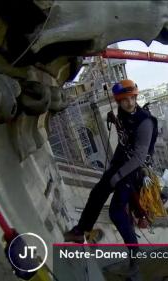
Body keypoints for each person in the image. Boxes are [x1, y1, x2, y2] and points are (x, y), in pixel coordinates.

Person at [64, 79, 157, 246]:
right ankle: (81, 231)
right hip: (122, 164)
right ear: (119, 101)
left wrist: (118, 176)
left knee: (117, 212)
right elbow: (126, 138)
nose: (130, 103)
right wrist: (116, 121)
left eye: (132, 99)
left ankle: (135, 253)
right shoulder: (124, 114)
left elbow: (139, 157)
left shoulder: (145, 122)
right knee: (97, 193)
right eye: (125, 100)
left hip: (134, 170)